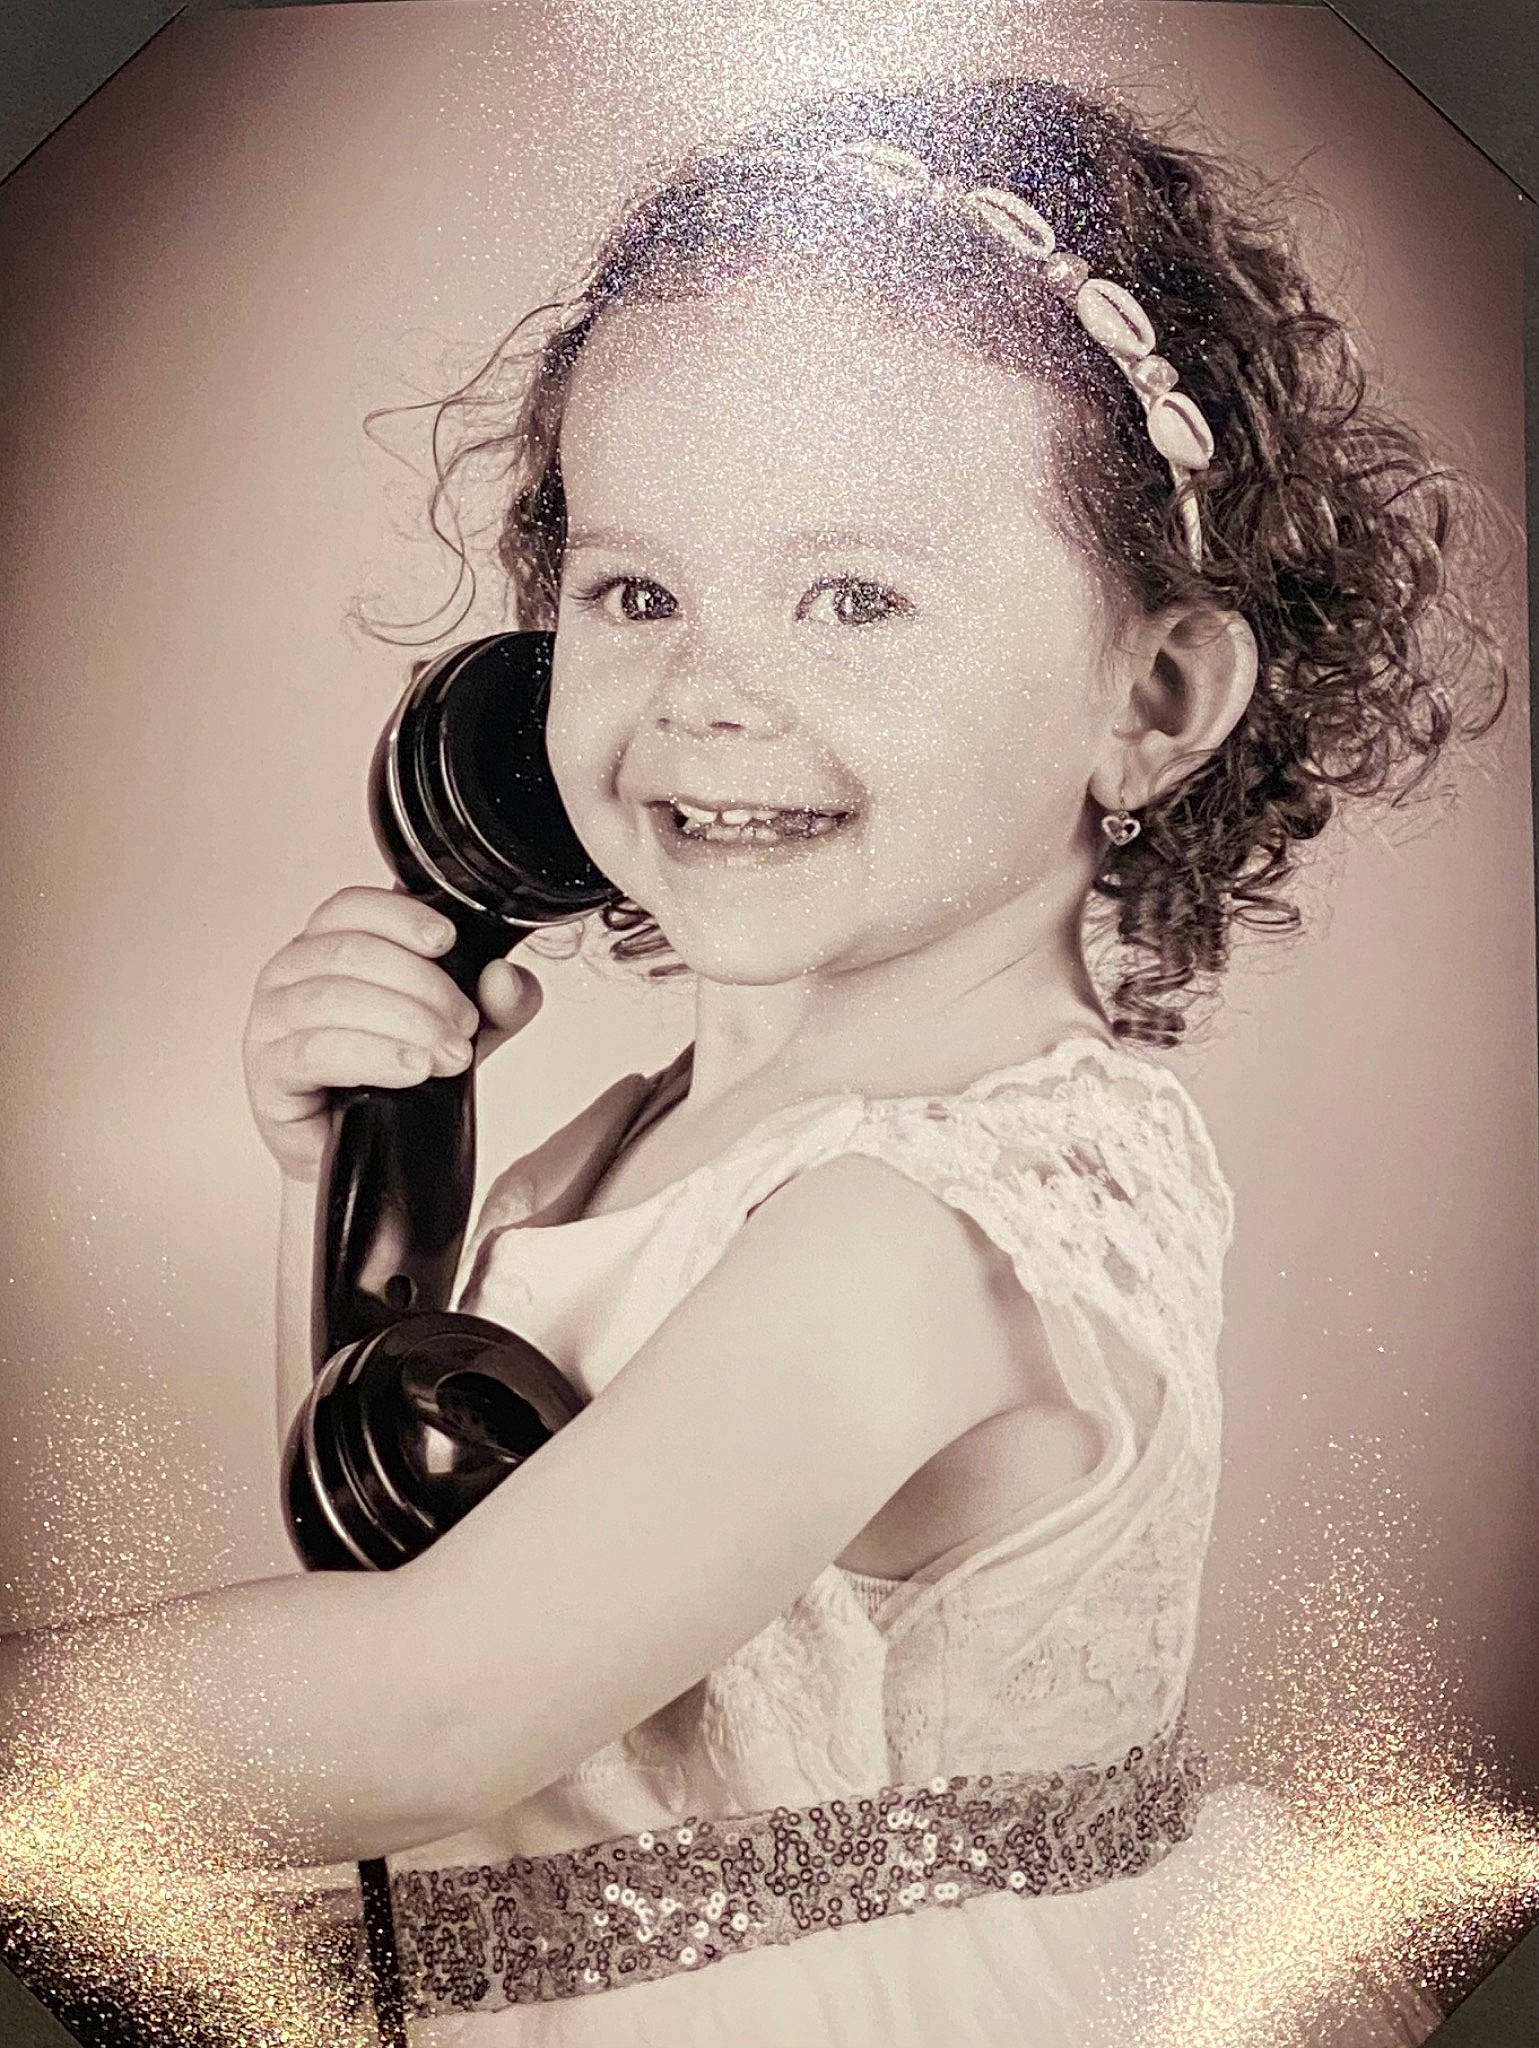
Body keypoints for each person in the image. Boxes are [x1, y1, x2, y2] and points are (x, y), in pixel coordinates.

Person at [1, 75, 1507, 2048]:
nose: (709, 690)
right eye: (636, 591)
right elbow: (442, 1497)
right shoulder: (639, 1143)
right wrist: (381, 1166)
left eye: (853, 595)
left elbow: (436, 1705)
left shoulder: (912, 1233)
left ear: (1151, 697)